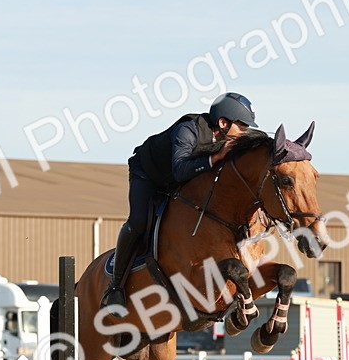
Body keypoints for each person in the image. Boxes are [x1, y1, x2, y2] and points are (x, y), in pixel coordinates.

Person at [101, 92, 258, 309]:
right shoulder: (189, 129)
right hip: (148, 174)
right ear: (223, 123)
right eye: (242, 126)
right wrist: (216, 157)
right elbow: (180, 170)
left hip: (178, 178)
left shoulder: (228, 138)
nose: (245, 132)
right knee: (138, 222)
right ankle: (115, 286)